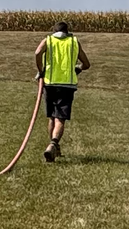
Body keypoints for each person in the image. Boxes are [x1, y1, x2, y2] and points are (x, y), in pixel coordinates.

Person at [33, 20, 88, 162]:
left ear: (54, 30)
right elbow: (86, 64)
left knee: (52, 116)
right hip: (67, 85)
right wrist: (78, 68)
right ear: (67, 31)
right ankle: (53, 144)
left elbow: (37, 52)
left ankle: (53, 147)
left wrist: (41, 71)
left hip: (50, 83)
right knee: (60, 118)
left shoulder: (48, 40)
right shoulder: (74, 42)